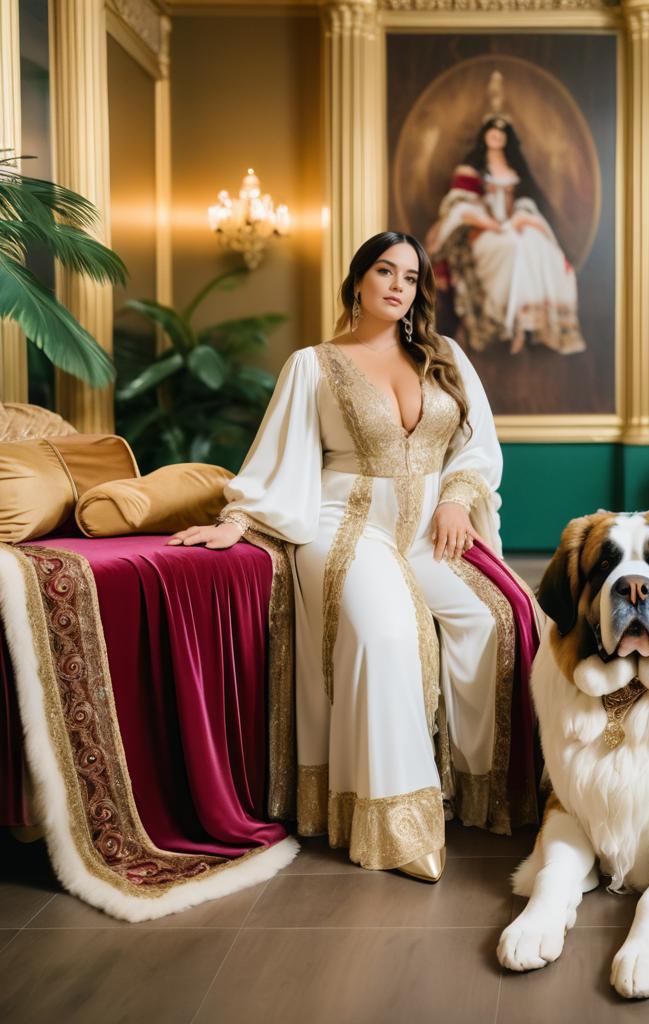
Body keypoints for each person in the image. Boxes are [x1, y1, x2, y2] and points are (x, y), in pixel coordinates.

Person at [168, 231, 534, 882]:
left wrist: (457, 498)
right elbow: (277, 457)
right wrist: (238, 520)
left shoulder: (445, 356)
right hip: (347, 529)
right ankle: (394, 821)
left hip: (430, 531)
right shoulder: (314, 364)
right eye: (385, 271)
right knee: (387, 635)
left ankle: (477, 793)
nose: (399, 286)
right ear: (358, 280)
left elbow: (478, 449)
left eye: (412, 278)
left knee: (496, 619)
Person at [425, 110, 586, 356]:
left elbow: (526, 201)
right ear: (485, 135)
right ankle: (503, 321)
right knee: (510, 247)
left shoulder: (515, 169)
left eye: (501, 134)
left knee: (539, 247)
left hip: (514, 226)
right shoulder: (472, 169)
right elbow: (459, 205)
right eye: (492, 132)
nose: (497, 137)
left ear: (507, 138)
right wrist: (488, 222)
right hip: (481, 229)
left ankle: (529, 324)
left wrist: (522, 217)